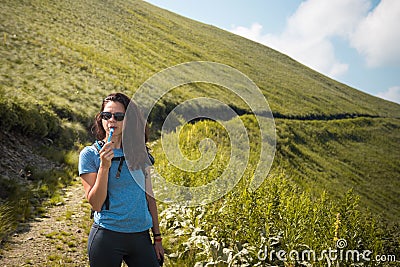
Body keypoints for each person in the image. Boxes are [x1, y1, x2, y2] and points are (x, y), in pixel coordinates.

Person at [78, 93, 164, 267]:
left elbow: (149, 197)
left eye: (119, 116)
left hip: (141, 236)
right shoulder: (90, 154)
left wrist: (157, 237)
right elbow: (95, 203)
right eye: (106, 115)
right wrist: (104, 166)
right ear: (100, 118)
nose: (112, 120)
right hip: (107, 236)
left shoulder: (140, 153)